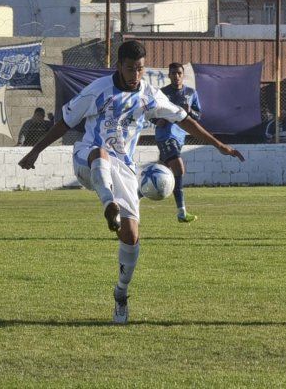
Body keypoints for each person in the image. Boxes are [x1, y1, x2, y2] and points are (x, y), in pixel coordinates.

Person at [18, 40, 244, 324]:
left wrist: (218, 144)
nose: (135, 74)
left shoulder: (149, 95)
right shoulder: (98, 91)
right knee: (100, 153)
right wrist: (35, 151)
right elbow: (64, 122)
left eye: (140, 68)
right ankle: (107, 203)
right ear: (119, 66)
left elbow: (184, 119)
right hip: (87, 158)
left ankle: (121, 294)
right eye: (130, 68)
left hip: (123, 169)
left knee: (131, 236)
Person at [153, 62, 201, 223]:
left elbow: (198, 115)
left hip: (179, 137)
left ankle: (134, 199)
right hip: (165, 135)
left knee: (159, 174)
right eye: (173, 73)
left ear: (183, 74)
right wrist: (157, 120)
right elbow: (151, 112)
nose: (176, 76)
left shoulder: (191, 93)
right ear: (169, 75)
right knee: (178, 167)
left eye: (179, 73)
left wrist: (190, 112)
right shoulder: (162, 93)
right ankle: (181, 212)